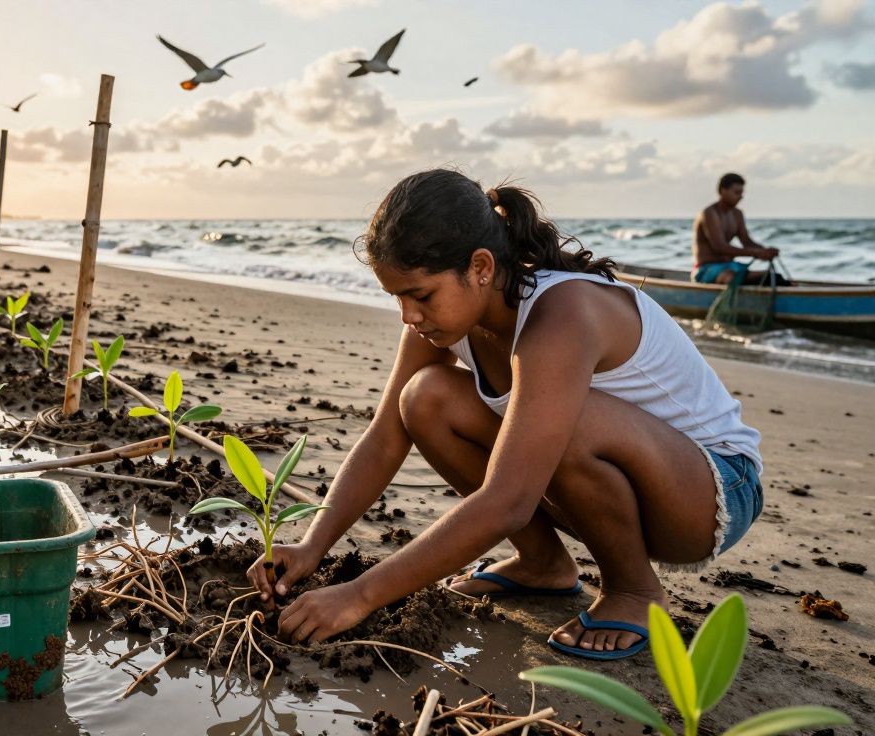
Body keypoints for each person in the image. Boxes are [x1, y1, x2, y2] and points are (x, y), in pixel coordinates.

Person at [249, 169, 764, 660]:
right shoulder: (443, 320)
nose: (408, 315)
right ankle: (543, 564)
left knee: (569, 419)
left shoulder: (562, 315)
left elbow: (509, 499)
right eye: (397, 298)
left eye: (420, 294)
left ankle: (633, 589)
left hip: (713, 493)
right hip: (617, 487)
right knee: (423, 398)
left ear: (480, 267)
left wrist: (359, 596)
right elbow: (386, 436)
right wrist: (313, 543)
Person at [692, 173, 785, 286]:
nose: (740, 196)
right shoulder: (709, 213)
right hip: (707, 269)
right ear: (722, 191)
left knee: (773, 277)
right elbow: (720, 247)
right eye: (736, 192)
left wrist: (765, 251)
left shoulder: (737, 214)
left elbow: (746, 242)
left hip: (731, 266)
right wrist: (757, 253)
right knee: (731, 277)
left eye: (741, 193)